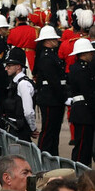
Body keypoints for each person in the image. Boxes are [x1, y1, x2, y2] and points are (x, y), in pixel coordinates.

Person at [33, 25, 67, 156]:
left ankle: (52, 155)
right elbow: (53, 80)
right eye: (53, 39)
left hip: (54, 98)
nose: (56, 41)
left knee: (54, 131)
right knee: (48, 130)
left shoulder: (51, 55)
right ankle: (43, 156)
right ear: (47, 40)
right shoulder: (46, 57)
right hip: (50, 98)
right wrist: (62, 96)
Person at [68, 38, 95, 166]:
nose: (92, 54)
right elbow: (87, 92)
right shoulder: (82, 69)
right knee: (82, 146)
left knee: (85, 145)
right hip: (83, 111)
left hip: (81, 109)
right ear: (84, 53)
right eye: (90, 52)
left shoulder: (78, 67)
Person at [2, 47, 36, 142]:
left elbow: (28, 111)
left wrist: (32, 128)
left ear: (18, 66)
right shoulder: (14, 83)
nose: (6, 68)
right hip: (13, 127)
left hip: (20, 130)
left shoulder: (23, 84)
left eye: (9, 65)